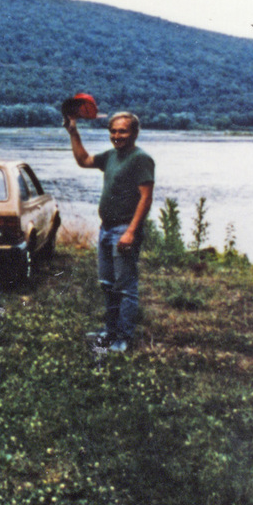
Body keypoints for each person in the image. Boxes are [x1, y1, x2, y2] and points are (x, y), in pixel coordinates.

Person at [65, 111, 154, 352]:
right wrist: (73, 132)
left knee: (125, 286)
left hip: (124, 230)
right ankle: (110, 331)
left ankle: (123, 338)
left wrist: (132, 232)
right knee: (107, 283)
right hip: (106, 229)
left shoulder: (141, 159)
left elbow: (145, 198)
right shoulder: (111, 156)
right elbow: (83, 160)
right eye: (113, 131)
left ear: (134, 133)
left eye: (122, 131)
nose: (117, 136)